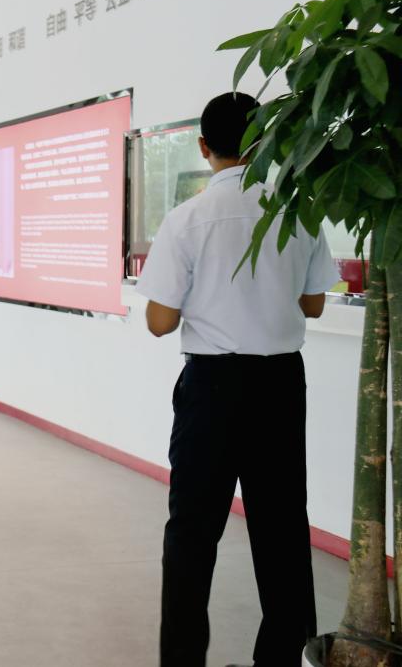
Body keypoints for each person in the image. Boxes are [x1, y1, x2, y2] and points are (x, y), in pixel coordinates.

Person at [136, 92, 340, 667]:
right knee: (282, 528)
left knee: (192, 532)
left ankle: (183, 660)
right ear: (263, 140)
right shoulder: (296, 211)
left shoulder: (186, 219)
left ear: (204, 147)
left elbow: (160, 322)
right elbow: (314, 304)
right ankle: (280, 658)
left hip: (212, 389)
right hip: (280, 386)